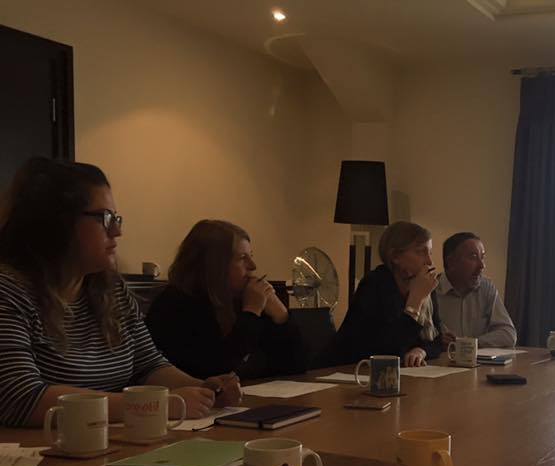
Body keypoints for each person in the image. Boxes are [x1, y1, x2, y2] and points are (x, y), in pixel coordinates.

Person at [0, 157, 241, 427]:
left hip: (110, 442)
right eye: (105, 218)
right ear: (58, 222)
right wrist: (153, 405)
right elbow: (19, 398)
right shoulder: (8, 291)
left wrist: (203, 388)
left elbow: (148, 365)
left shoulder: (112, 291)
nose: (117, 231)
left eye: (116, 218)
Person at [146, 220, 306, 380]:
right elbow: (216, 369)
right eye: (242, 258)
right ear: (213, 264)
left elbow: (297, 365)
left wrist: (281, 316)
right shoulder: (176, 304)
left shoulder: (245, 296)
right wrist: (251, 312)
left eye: (250, 256)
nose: (253, 266)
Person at [327, 221, 443, 367]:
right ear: (395, 257)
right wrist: (415, 302)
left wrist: (421, 351)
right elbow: (388, 348)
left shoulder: (423, 284)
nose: (429, 261)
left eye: (430, 252)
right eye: (420, 252)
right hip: (350, 369)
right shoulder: (374, 284)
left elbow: (438, 341)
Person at [435, 232, 517, 348]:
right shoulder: (430, 291)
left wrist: (469, 344)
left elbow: (508, 334)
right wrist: (437, 340)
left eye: (482, 257)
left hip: (479, 359)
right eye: (473, 257)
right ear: (451, 262)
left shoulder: (486, 287)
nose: (482, 266)